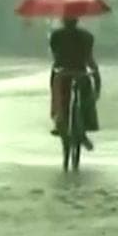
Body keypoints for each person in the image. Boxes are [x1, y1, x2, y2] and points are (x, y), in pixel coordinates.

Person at [49, 16, 101, 150]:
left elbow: (55, 56)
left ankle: (58, 120)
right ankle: (86, 125)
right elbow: (90, 59)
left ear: (63, 21)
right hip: (81, 74)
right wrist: (97, 80)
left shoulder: (56, 35)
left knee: (57, 97)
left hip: (62, 75)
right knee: (87, 98)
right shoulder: (87, 36)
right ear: (77, 21)